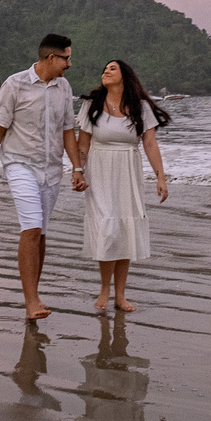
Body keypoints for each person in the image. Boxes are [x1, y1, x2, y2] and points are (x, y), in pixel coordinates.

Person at [0, 34, 87, 321]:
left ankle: (33, 294)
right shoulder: (15, 84)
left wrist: (77, 168)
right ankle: (31, 300)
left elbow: (66, 131)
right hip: (19, 163)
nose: (69, 64)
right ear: (51, 58)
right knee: (32, 227)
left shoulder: (63, 87)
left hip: (51, 168)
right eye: (66, 58)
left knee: (41, 233)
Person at [76, 60, 170, 313]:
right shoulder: (91, 104)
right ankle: (104, 289)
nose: (106, 71)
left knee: (125, 230)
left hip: (128, 171)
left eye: (112, 69)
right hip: (99, 172)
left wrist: (160, 177)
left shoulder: (139, 107)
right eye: (105, 69)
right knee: (108, 228)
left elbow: (150, 143)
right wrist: (78, 171)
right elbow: (82, 144)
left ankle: (120, 295)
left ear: (125, 77)